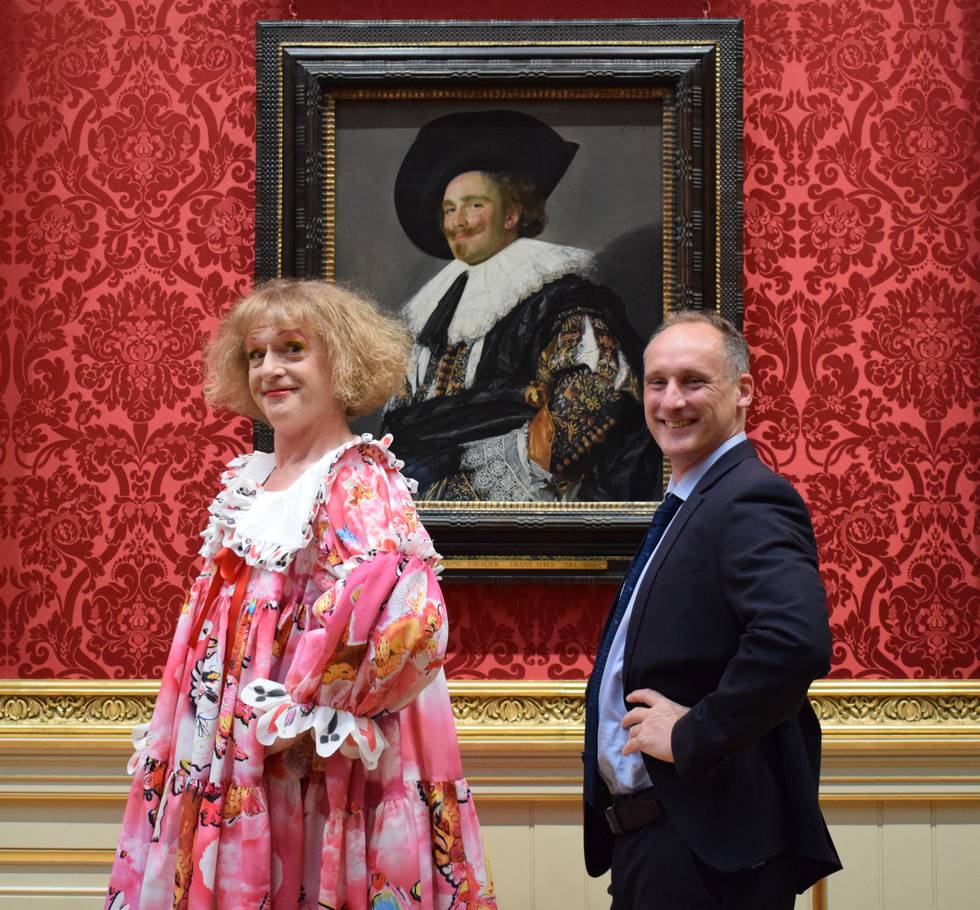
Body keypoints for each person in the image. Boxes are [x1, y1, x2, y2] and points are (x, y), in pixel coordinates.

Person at [105, 279, 496, 910]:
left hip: (313, 763)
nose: (270, 370)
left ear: (340, 362)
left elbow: (409, 622)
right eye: (255, 355)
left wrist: (310, 712)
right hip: (230, 751)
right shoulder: (251, 481)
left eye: (292, 349)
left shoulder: (358, 477)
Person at [582, 310, 841, 908]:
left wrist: (694, 732)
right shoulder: (691, 499)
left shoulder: (749, 496)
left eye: (693, 381)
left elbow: (794, 641)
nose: (671, 400)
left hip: (707, 852)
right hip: (662, 844)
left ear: (743, 391)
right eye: (656, 382)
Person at [381, 109, 658, 502]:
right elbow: (400, 418)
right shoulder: (430, 314)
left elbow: (596, 396)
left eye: (474, 205)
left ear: (513, 213)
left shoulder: (564, 300)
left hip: (521, 514)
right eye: (448, 209)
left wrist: (471, 485)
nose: (458, 220)